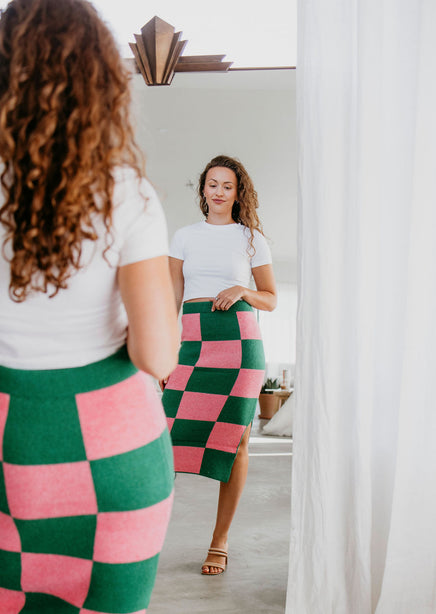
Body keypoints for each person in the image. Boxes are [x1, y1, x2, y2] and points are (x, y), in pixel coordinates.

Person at [0, 1, 179, 612]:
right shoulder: (127, 193)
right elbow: (155, 354)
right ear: (100, 81)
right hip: (116, 450)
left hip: (8, 446)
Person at [161, 154, 277, 575]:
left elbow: (270, 297)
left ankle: (219, 541)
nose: (219, 192)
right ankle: (142, 533)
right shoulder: (183, 236)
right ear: (203, 189)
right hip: (192, 342)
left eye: (227, 185)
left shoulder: (251, 239)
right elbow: (171, 300)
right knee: (164, 436)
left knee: (236, 441)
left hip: (239, 343)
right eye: (213, 184)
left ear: (237, 192)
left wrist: (241, 289)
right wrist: (165, 350)